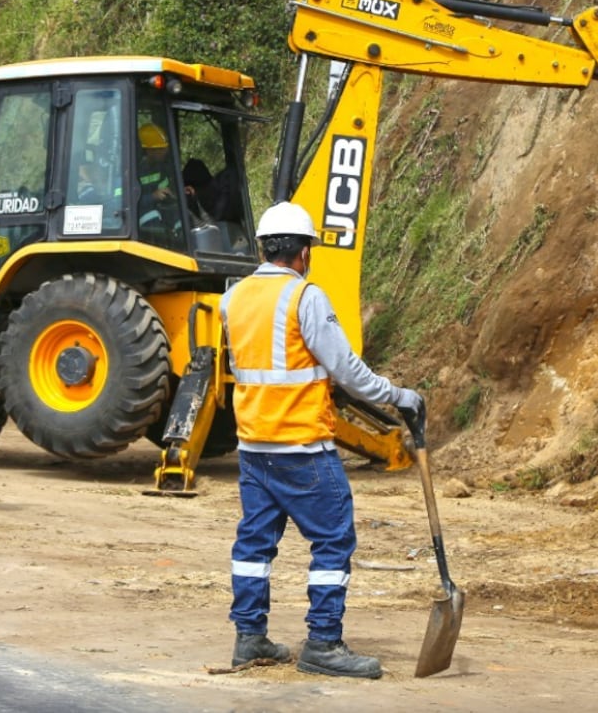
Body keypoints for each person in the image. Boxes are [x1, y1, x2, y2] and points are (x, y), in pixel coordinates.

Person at [220, 201, 424, 679]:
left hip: (254, 447)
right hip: (302, 446)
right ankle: (324, 643)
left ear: (264, 248)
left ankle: (249, 637)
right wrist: (400, 397)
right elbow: (347, 370)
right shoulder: (305, 297)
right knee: (333, 539)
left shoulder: (234, 297)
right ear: (304, 252)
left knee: (254, 543)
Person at [136, 123, 182, 243]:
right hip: (139, 219)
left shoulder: (160, 168)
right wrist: (153, 196)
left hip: (160, 210)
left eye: (165, 148)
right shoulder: (132, 171)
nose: (165, 151)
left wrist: (176, 194)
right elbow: (126, 203)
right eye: (160, 149)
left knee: (180, 215)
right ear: (148, 150)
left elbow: (165, 188)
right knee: (152, 216)